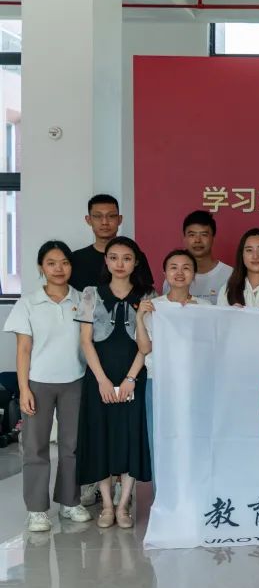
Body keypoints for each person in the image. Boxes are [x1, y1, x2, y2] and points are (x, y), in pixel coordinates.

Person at [3, 241, 93, 531]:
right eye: (51, 263)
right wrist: (24, 389)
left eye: (64, 262)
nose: (59, 268)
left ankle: (69, 502)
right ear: (41, 267)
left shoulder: (83, 300)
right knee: (35, 447)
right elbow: (23, 349)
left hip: (75, 381)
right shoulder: (28, 303)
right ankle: (36, 510)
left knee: (72, 446)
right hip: (38, 383)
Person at [75, 236, 155, 529]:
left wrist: (131, 378)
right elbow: (86, 341)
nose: (120, 264)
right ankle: (107, 505)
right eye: (114, 257)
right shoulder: (90, 294)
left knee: (131, 436)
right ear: (106, 261)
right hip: (99, 377)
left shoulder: (147, 294)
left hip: (134, 375)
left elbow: (147, 345)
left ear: (136, 262)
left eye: (127, 258)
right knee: (101, 437)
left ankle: (124, 506)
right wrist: (102, 381)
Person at [136, 249, 209, 472]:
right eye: (173, 268)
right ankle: (162, 491)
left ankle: (192, 489)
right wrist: (139, 317)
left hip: (194, 384)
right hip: (159, 382)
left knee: (194, 438)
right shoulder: (153, 306)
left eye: (186, 268)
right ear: (165, 273)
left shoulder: (205, 308)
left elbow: (211, 348)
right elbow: (145, 348)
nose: (179, 273)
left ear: (194, 275)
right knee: (159, 438)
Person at [163, 210, 232, 302]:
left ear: (213, 238)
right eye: (192, 235)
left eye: (204, 235)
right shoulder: (174, 277)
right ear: (184, 238)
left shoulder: (230, 275)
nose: (197, 240)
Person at [70, 194, 122, 291]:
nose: (105, 222)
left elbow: (146, 294)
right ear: (88, 220)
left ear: (120, 219)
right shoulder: (74, 259)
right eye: (98, 216)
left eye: (111, 216)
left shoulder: (134, 257)